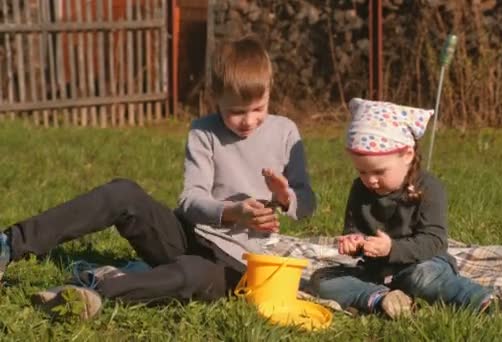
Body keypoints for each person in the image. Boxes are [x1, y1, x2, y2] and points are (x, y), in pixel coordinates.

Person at [0, 36, 316, 319]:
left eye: (258, 108)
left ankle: (91, 289)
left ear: (269, 91)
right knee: (121, 192)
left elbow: (307, 205)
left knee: (189, 274)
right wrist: (232, 212)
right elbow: (190, 200)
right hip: (189, 236)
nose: (248, 121)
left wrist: (286, 197)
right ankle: (10, 244)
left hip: (239, 263)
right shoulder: (204, 131)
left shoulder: (286, 132)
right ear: (214, 97)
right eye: (236, 111)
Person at [310, 98, 492, 319]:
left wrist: (391, 249)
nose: (371, 180)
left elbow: (435, 241)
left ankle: (478, 300)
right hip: (377, 272)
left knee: (422, 278)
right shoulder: (360, 189)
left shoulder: (429, 188)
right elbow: (354, 230)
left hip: (423, 263)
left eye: (379, 172)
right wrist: (354, 243)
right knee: (322, 280)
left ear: (407, 155)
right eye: (362, 172)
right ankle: (383, 299)